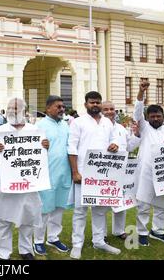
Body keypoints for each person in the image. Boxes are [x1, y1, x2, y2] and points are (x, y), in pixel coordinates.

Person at [0, 97, 49, 260]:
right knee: (3, 217)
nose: (12, 111)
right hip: (7, 182)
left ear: (24, 111)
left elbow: (39, 156)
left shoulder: (35, 130)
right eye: (9, 108)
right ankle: (3, 253)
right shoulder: (1, 130)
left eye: (15, 108)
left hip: (28, 183)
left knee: (27, 216)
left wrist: (45, 147)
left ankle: (26, 250)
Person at [67, 91, 121, 259]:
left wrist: (115, 145)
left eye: (98, 102)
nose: (95, 105)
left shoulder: (107, 122)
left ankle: (99, 242)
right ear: (86, 104)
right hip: (83, 173)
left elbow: (114, 140)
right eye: (92, 102)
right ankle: (77, 244)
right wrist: (75, 172)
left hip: (103, 174)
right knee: (80, 211)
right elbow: (72, 148)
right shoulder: (78, 122)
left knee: (100, 210)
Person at [134, 80, 164, 246]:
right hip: (145, 171)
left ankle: (158, 231)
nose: (155, 119)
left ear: (163, 117)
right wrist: (141, 92)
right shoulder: (144, 127)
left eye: (158, 116)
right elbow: (138, 111)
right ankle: (142, 232)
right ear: (148, 118)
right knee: (143, 204)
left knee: (162, 204)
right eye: (152, 116)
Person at [32, 96, 72, 256]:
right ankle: (38, 240)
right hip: (46, 174)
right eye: (58, 107)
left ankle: (53, 237)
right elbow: (29, 148)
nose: (62, 109)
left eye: (63, 107)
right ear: (48, 108)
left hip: (64, 173)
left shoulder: (66, 125)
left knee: (59, 207)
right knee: (44, 209)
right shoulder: (39, 126)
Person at [101, 101, 141, 240]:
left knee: (121, 201)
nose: (109, 111)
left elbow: (129, 147)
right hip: (103, 170)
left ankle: (119, 231)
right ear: (101, 111)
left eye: (112, 109)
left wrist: (136, 135)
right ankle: (101, 234)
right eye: (106, 109)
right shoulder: (97, 127)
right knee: (103, 204)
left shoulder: (121, 128)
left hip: (121, 170)